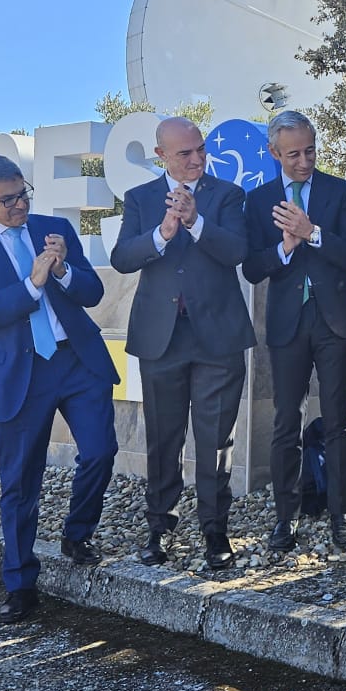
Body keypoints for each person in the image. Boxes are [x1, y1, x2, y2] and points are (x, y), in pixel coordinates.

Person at [0, 154, 118, 623]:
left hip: (76, 362)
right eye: (9, 199)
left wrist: (63, 270)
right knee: (20, 482)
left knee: (101, 451)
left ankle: (77, 531)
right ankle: (20, 582)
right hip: (20, 375)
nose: (20, 204)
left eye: (24, 193)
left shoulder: (51, 227)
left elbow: (93, 294)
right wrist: (31, 284)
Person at [109, 117, 254, 571]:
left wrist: (196, 222)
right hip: (161, 339)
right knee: (163, 438)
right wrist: (162, 234)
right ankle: (159, 529)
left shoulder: (227, 194)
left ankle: (215, 532)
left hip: (217, 338)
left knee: (214, 441)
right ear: (161, 157)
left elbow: (238, 252)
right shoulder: (139, 199)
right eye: (184, 154)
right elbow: (122, 257)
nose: (196, 160)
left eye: (200, 150)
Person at [243, 111, 346, 552]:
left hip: (335, 322)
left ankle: (342, 515)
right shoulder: (258, 202)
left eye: (310, 150)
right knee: (285, 422)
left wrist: (312, 232)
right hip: (287, 324)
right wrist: (284, 246)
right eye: (293, 153)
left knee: (338, 422)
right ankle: (285, 518)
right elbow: (253, 266)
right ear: (274, 152)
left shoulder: (340, 191)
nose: (304, 161)